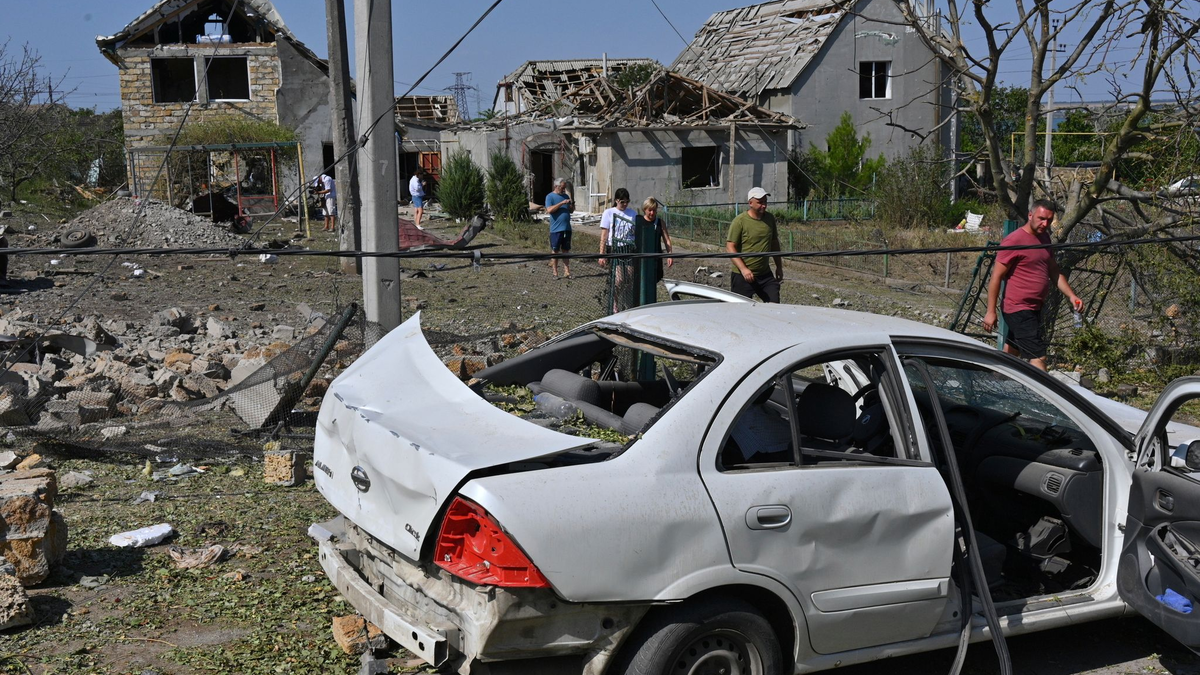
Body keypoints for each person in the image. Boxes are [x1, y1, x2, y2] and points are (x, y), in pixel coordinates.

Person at [982, 199, 1083, 371]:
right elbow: (996, 277)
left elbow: (1054, 272)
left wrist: (1072, 296)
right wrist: (991, 311)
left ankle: (996, 381)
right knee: (1038, 357)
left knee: (1011, 353)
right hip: (1018, 308)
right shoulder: (1014, 240)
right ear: (1030, 215)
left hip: (1035, 308)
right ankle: (1045, 389)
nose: (1045, 224)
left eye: (1049, 220)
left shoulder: (1044, 238)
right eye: (1041, 219)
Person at [727, 187, 783, 302]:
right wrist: (744, 269)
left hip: (765, 274)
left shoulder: (769, 219)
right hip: (743, 275)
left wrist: (779, 267)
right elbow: (730, 246)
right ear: (750, 203)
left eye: (765, 202)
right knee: (741, 309)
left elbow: (774, 243)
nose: (764, 205)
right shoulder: (740, 221)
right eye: (760, 202)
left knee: (774, 304)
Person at [637, 197, 673, 283]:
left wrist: (670, 255)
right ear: (645, 209)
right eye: (650, 210)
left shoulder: (660, 223)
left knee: (654, 281)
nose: (652, 213)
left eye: (654, 210)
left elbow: (667, 240)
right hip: (642, 258)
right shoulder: (639, 222)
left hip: (656, 258)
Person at [545, 178, 573, 279]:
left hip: (567, 228)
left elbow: (571, 211)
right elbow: (549, 210)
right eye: (562, 188)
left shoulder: (566, 196)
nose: (564, 190)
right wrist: (561, 203)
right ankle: (555, 273)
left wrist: (571, 205)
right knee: (555, 251)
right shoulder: (550, 197)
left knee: (566, 250)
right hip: (556, 229)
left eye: (565, 188)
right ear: (556, 186)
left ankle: (567, 272)